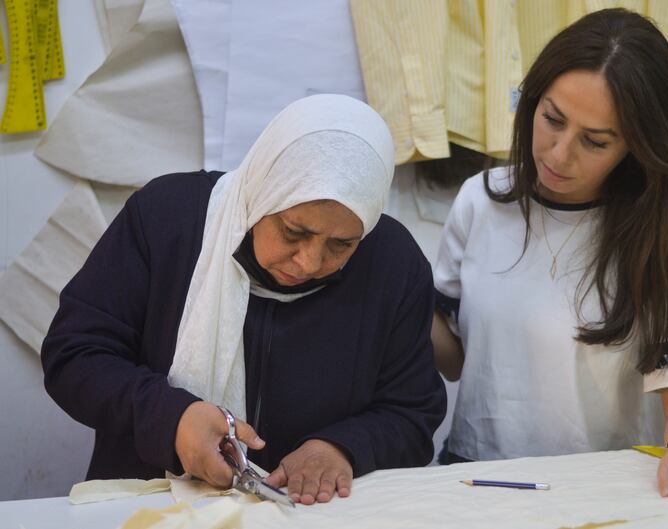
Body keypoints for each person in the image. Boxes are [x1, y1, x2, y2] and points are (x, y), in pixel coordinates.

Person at [41, 94, 446, 506]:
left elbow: (412, 411)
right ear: (263, 192)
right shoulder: (167, 222)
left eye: (341, 244)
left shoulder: (393, 265)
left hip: (310, 514)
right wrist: (171, 419)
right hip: (152, 507)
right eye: (293, 231)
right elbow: (75, 355)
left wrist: (342, 447)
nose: (308, 262)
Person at [431, 8, 668, 507]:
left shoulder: (665, 230)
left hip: (603, 488)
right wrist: (386, 288)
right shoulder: (479, 200)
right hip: (479, 477)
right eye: (552, 119)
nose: (559, 154)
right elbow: (454, 361)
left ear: (635, 146)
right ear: (532, 101)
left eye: (595, 141)